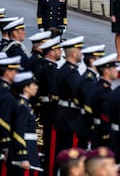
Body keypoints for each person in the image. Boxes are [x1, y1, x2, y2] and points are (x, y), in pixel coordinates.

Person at [54, 36, 84, 173]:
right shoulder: (71, 73)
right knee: (72, 159)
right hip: (70, 119)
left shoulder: (63, 69)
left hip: (63, 116)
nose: (81, 54)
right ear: (73, 53)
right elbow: (80, 95)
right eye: (80, 50)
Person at [36, 36, 62, 176]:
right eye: (58, 49)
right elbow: (55, 92)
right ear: (51, 52)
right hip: (51, 112)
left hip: (47, 111)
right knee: (52, 149)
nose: (60, 52)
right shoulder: (49, 69)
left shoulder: (47, 67)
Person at [8, 71, 42, 175]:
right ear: (25, 88)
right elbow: (18, 132)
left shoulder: (25, 104)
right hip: (26, 147)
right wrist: (23, 156)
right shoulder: (22, 106)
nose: (36, 87)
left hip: (29, 146)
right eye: (33, 85)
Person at [78, 44, 105, 149]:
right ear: (92, 61)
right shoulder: (89, 80)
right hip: (88, 126)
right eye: (100, 58)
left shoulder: (93, 77)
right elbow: (88, 105)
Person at [91, 53, 118, 148]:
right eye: (114, 68)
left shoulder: (100, 86)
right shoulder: (103, 90)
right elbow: (105, 116)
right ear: (106, 71)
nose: (116, 71)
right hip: (102, 134)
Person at [0, 56, 21, 176]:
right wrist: (6, 144)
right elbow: (3, 120)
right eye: (15, 71)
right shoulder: (5, 94)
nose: (17, 73)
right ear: (7, 73)